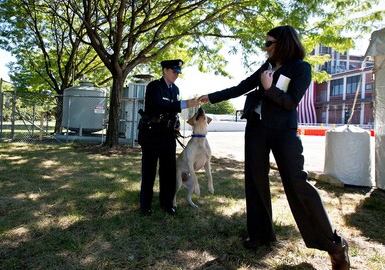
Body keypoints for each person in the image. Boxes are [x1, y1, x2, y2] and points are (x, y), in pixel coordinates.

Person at [197, 25, 350, 269]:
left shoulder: (301, 68)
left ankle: (334, 246)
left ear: (283, 43)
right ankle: (260, 234)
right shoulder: (266, 67)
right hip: (256, 129)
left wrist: (269, 89)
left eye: (268, 43)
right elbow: (242, 86)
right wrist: (211, 96)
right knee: (255, 180)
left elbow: (290, 102)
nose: (265, 47)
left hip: (283, 132)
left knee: (297, 183)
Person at [138, 59, 199, 216]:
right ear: (165, 70)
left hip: (168, 136)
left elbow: (172, 112)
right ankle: (145, 205)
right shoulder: (154, 87)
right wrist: (183, 104)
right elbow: (157, 106)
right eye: (173, 71)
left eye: (178, 73)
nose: (176, 75)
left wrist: (176, 122)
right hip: (152, 135)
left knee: (168, 172)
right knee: (149, 171)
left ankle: (167, 203)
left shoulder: (176, 89)